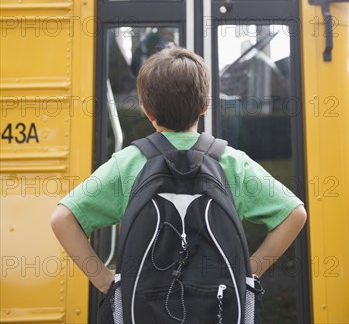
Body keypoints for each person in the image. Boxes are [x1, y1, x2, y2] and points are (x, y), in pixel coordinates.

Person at [51, 46, 306, 303]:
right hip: (217, 309)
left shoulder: (128, 163)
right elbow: (294, 213)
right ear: (205, 106)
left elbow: (62, 218)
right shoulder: (231, 162)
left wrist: (105, 280)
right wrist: (247, 273)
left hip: (145, 309)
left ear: (146, 111)